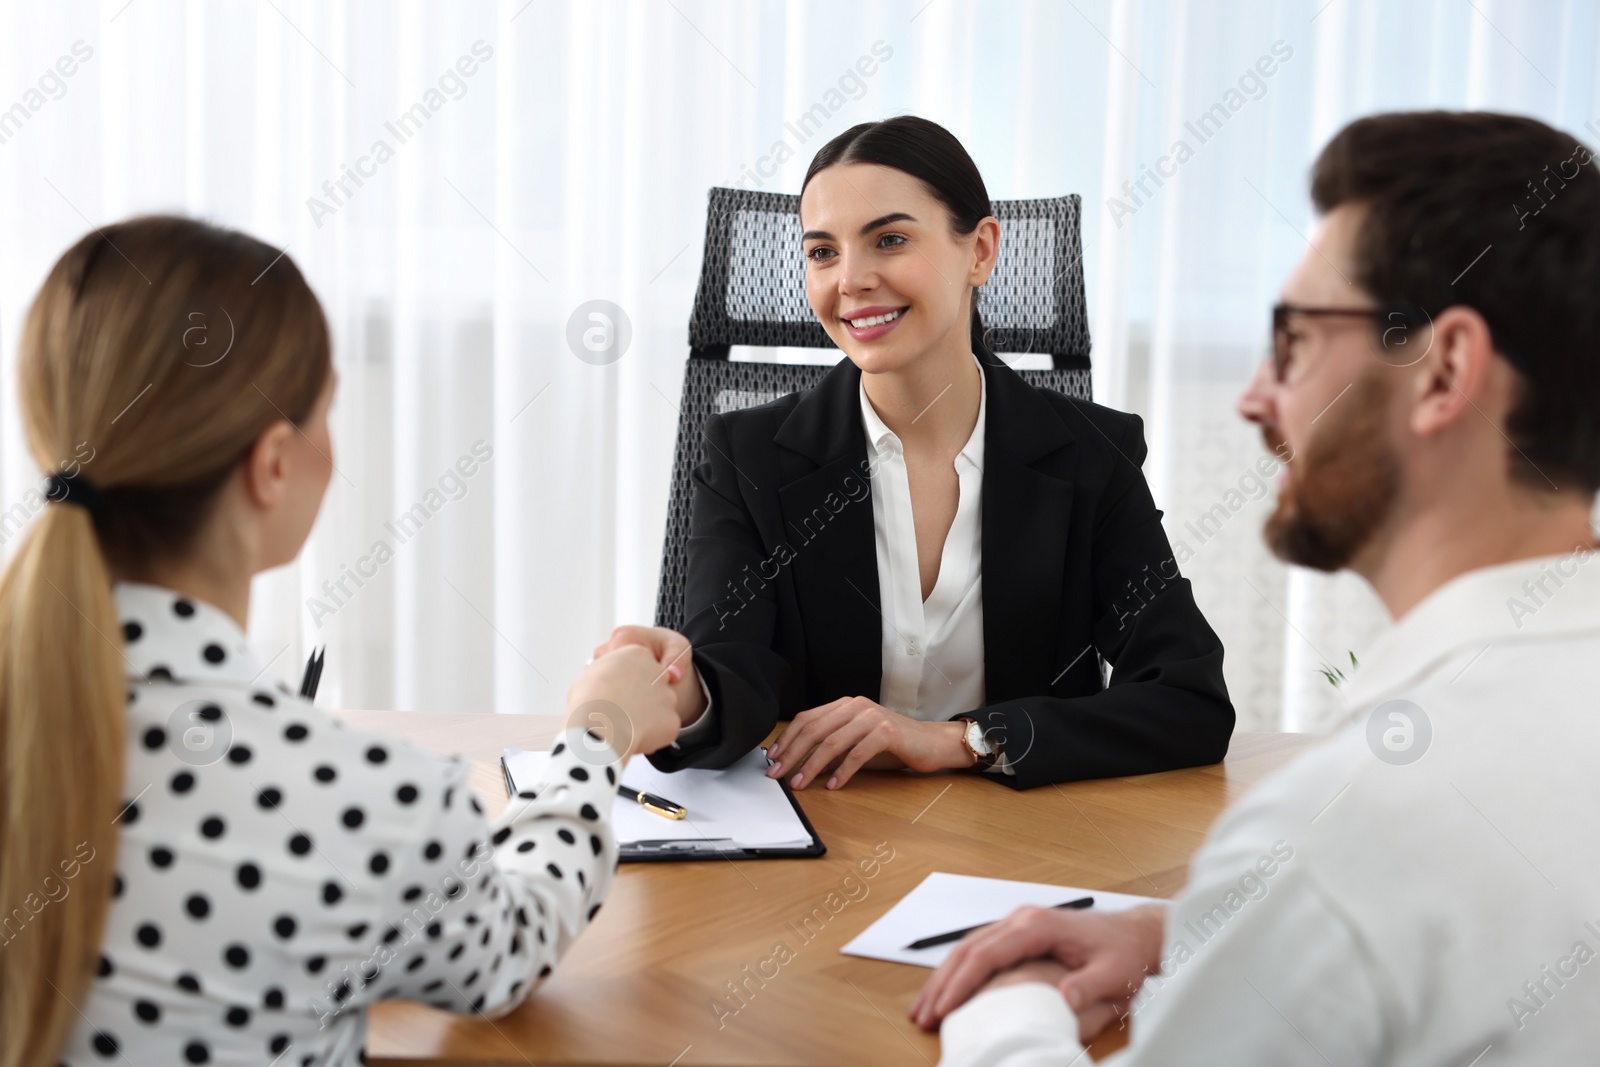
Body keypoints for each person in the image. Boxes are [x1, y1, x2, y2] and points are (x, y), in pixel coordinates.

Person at [913, 110, 1600, 1063]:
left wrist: (1009, 1006)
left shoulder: (1349, 829)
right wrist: (1192, 937)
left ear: (1443, 371)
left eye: (1295, 340)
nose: (1253, 397)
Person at [0, 217, 682, 1067]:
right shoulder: (357, 807)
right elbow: (511, 942)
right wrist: (598, 728)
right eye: (325, 409)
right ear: (274, 463)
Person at [596, 115, 1233, 792]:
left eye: (890, 239)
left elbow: (1187, 700)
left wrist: (961, 739)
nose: (851, 279)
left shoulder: (1091, 457)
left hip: (1026, 847)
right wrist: (678, 688)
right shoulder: (749, 458)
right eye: (822, 252)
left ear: (981, 250)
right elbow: (734, 675)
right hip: (825, 839)